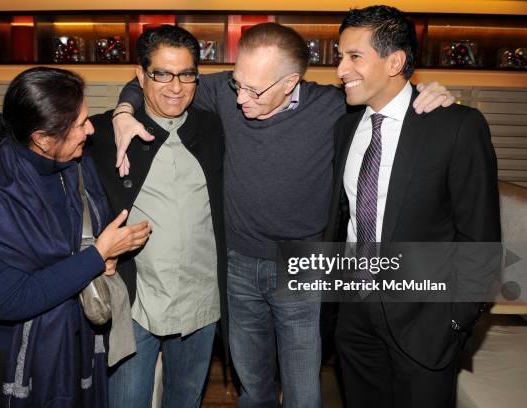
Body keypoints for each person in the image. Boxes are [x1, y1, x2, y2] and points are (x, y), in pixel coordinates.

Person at [112, 22, 455, 407]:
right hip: (238, 264)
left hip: (303, 264)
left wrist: (427, 93)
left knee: (302, 390)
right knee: (252, 386)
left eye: (254, 90)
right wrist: (124, 110)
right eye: (237, 84)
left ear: (291, 82)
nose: (241, 98)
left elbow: (388, 96)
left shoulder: (332, 105)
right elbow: (157, 79)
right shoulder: (227, 92)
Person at [324, 6, 501, 407]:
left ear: (395, 61)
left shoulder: (456, 126)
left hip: (425, 321)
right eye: (339, 56)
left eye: (354, 56)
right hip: (353, 316)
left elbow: (480, 236)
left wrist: (456, 321)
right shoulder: (345, 126)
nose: (340, 69)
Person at [0, 67, 151, 407]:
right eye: (81, 123)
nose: (90, 129)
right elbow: (9, 300)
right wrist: (96, 256)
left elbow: (78, 239)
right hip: (0, 343)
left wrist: (102, 259)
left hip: (63, 324)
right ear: (43, 138)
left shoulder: (73, 162)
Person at [87, 25, 226, 408]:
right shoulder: (103, 133)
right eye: (161, 73)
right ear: (140, 74)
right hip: (137, 305)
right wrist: (122, 110)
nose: (175, 86)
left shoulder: (213, 127)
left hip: (201, 302)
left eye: (185, 73)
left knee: (184, 401)